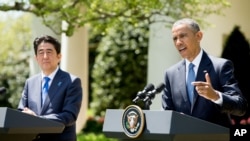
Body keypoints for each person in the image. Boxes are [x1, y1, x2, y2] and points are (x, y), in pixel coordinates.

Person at [161, 18, 248, 128]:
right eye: (175, 38)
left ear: (198, 36)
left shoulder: (220, 67)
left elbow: (240, 107)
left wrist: (215, 96)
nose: (178, 42)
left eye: (183, 36)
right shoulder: (170, 74)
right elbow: (166, 112)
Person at [18, 35, 83, 141]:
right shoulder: (30, 83)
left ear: (59, 56)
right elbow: (21, 112)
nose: (45, 56)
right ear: (36, 58)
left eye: (49, 52)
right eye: (41, 52)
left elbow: (69, 115)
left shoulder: (72, 81)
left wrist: (37, 119)